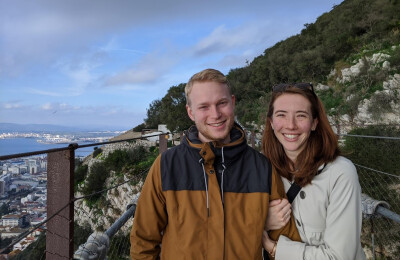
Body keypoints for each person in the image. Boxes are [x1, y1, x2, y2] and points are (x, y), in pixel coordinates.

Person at [130, 69, 300, 260]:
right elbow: (143, 242)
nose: (215, 114)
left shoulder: (262, 168)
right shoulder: (167, 166)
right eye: (204, 107)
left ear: (233, 103)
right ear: (190, 112)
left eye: (222, 103)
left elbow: (287, 240)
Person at [262, 83, 366, 259]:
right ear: (271, 122)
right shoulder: (262, 169)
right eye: (281, 115)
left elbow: (339, 257)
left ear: (314, 123)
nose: (291, 125)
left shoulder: (340, 173)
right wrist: (263, 221)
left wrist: (273, 248)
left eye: (301, 116)